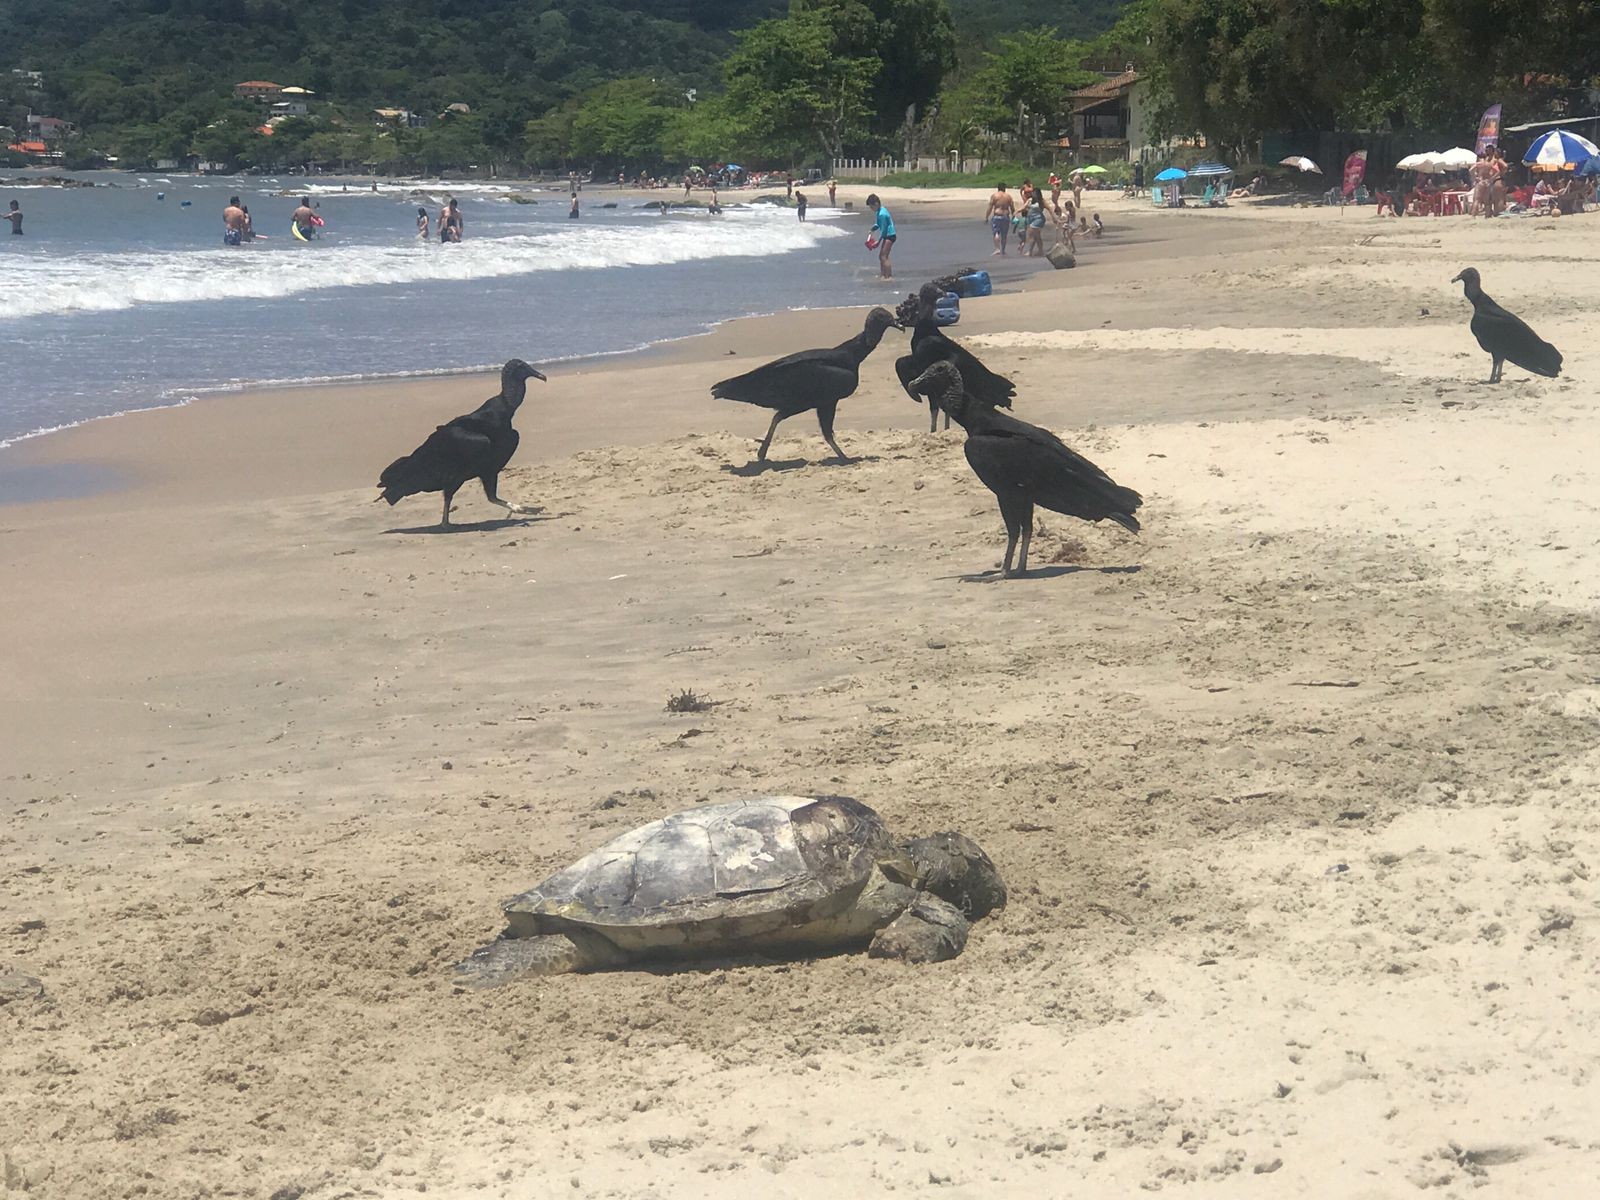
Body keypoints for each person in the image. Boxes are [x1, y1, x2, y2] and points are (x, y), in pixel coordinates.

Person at [866, 193, 895, 279]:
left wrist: (878, 242)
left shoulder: (882, 214)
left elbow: (884, 229)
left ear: (876, 204)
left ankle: (888, 277)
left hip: (889, 235)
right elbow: (879, 224)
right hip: (887, 235)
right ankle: (883, 275)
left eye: (871, 207)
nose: (871, 209)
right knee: (882, 256)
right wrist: (872, 229)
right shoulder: (880, 210)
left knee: (883, 256)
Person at [985, 183, 1015, 255]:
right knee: (1004, 234)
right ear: (1004, 188)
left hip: (997, 216)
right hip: (1006, 217)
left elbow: (990, 207)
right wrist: (1014, 216)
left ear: (998, 188)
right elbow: (1012, 208)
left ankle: (997, 249)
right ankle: (1003, 250)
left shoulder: (995, 196)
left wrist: (986, 217)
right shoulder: (1008, 197)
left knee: (996, 233)